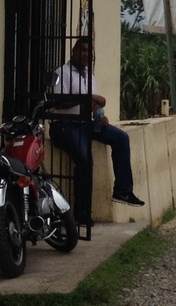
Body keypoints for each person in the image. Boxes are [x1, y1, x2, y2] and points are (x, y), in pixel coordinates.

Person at [48, 37, 144, 225]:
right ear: (74, 51)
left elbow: (93, 105)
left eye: (89, 52)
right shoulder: (62, 73)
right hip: (65, 125)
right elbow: (58, 103)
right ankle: (81, 215)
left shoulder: (89, 77)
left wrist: (100, 115)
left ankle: (122, 191)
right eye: (82, 50)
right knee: (85, 160)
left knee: (121, 138)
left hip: (87, 123)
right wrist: (87, 97)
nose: (86, 55)